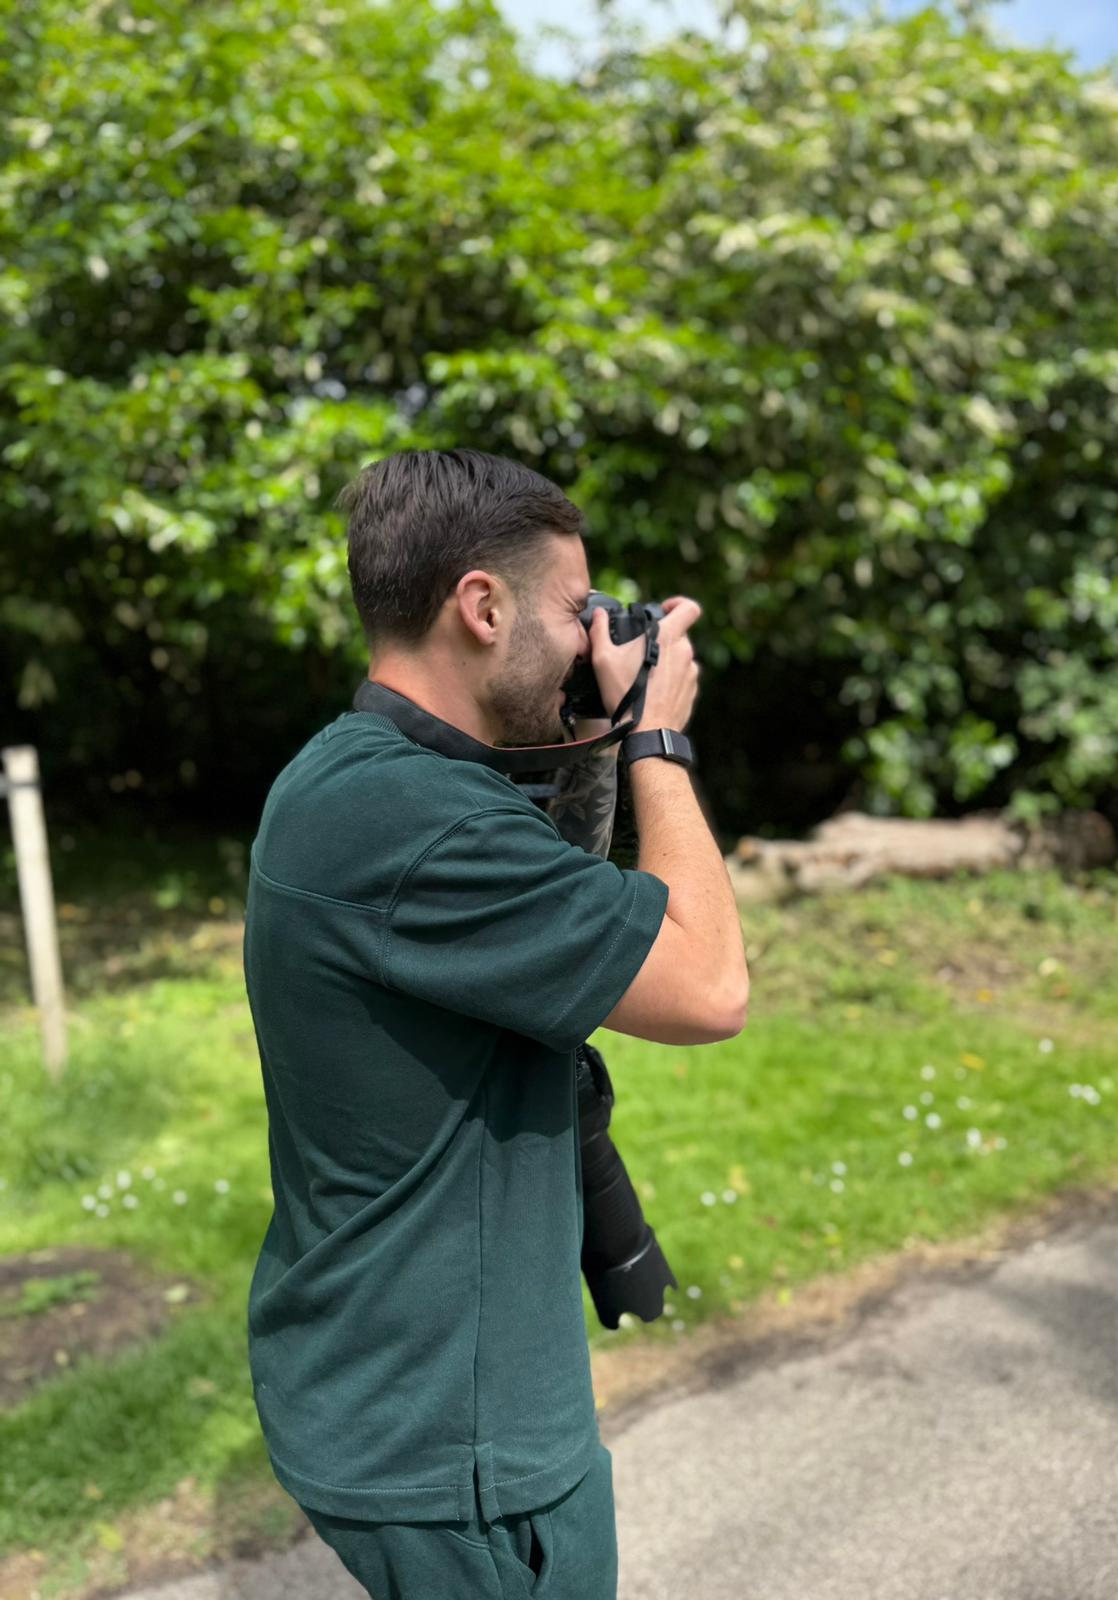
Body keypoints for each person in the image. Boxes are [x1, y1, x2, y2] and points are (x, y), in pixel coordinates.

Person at [241, 447, 748, 1599]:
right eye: (574, 609)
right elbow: (710, 986)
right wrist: (659, 739)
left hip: (380, 1381)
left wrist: (595, 730)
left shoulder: (351, 777)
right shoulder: (420, 823)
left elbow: (548, 896)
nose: (588, 639)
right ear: (482, 607)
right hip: (459, 1444)